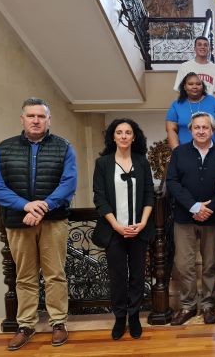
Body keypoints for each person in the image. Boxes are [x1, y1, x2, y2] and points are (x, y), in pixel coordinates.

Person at [0, 98, 77, 351]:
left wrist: (44, 206)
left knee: (55, 275)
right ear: (22, 119)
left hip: (53, 222)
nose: (36, 120)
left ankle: (58, 322)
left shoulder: (63, 147)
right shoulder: (5, 149)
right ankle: (25, 325)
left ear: (49, 120)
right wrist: (26, 206)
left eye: (41, 116)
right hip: (18, 222)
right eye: (31, 116)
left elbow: (68, 183)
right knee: (24, 276)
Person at [166, 112, 215, 326]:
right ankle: (187, 305)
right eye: (197, 127)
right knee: (184, 264)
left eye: (205, 127)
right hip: (184, 217)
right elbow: (173, 182)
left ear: (212, 130)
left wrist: (209, 207)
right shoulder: (179, 153)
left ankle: (208, 305)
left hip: (212, 217)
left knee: (210, 264)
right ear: (191, 130)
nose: (201, 131)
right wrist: (194, 206)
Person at [92, 118, 155, 340]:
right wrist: (117, 226)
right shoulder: (103, 164)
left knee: (137, 276)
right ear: (113, 136)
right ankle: (120, 318)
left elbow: (149, 194)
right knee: (118, 277)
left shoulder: (142, 162)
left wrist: (144, 222)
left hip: (139, 230)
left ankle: (135, 316)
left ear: (134, 136)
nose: (124, 136)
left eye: (128, 132)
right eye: (119, 132)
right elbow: (99, 197)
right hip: (114, 232)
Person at [166, 72, 215, 148]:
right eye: (190, 84)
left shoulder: (213, 101)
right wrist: (177, 152)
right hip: (185, 152)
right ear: (184, 87)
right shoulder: (176, 105)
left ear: (202, 86)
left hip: (212, 151)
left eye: (198, 84)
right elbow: (171, 130)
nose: (195, 86)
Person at [173, 36, 215, 100]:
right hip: (190, 107)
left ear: (209, 49)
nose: (202, 47)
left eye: (205, 45)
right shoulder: (184, 67)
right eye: (199, 45)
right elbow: (180, 90)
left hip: (209, 107)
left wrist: (209, 106)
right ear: (194, 48)